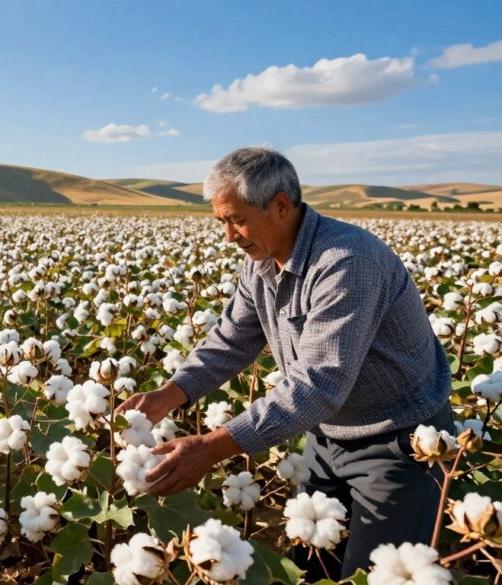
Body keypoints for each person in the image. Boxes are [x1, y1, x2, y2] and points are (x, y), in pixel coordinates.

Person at [116, 146, 452, 580]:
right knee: (313, 567)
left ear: (280, 206)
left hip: (399, 443)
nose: (229, 237)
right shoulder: (260, 262)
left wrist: (213, 448)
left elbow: (319, 384)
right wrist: (170, 394)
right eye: (222, 222)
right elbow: (232, 339)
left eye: (236, 220)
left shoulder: (347, 263)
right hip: (327, 435)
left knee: (375, 573)